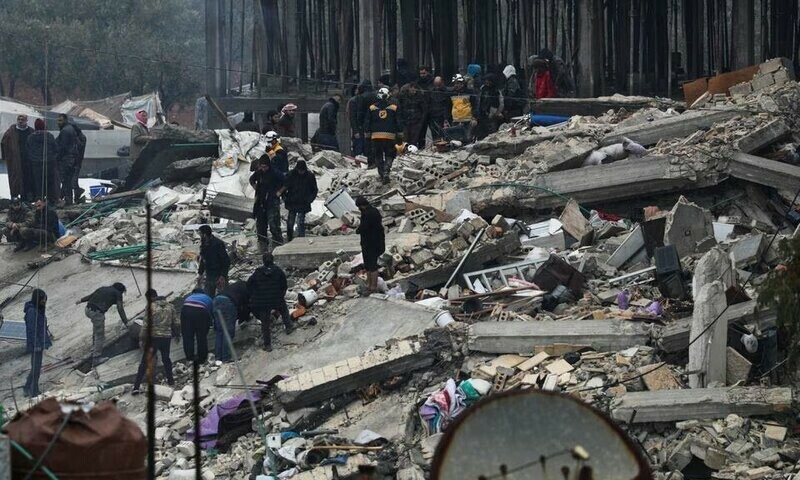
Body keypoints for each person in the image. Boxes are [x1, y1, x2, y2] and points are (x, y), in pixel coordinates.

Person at [247, 253, 295, 352]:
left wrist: (256, 295)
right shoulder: (278, 271)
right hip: (276, 298)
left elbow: (249, 284)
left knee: (265, 323)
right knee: (284, 309)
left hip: (263, 301)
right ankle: (289, 327)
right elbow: (284, 285)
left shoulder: (258, 272)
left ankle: (267, 345)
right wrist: (280, 296)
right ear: (273, 260)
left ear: (263, 261)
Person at [132, 289, 177, 394]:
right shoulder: (170, 306)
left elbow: (145, 325)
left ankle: (136, 387)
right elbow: (176, 322)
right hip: (166, 337)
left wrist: (141, 339)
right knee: (166, 359)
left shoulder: (150, 307)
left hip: (153, 338)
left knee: (144, 362)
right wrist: (177, 334)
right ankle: (171, 382)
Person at [76, 283, 129, 366]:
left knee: (96, 327)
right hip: (97, 312)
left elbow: (91, 296)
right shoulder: (118, 293)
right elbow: (120, 309)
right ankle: (96, 358)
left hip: (87, 309)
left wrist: (81, 300)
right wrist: (126, 323)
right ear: (121, 290)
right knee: (100, 335)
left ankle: (94, 347)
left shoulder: (103, 288)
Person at [365, 87, 403, 184]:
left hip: (376, 136)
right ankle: (386, 171)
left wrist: (367, 133)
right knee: (390, 154)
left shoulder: (372, 108)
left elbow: (367, 122)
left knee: (378, 155)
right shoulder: (394, 108)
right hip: (389, 136)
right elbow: (398, 122)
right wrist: (400, 132)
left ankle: (381, 174)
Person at [250, 155, 285, 252]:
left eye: (265, 167)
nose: (264, 169)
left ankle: (278, 245)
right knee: (260, 225)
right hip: (261, 202)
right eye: (262, 167)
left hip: (272, 202)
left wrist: (279, 192)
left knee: (273, 224)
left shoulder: (275, 173)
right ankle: (263, 246)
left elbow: (286, 183)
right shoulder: (259, 173)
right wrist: (256, 188)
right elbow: (252, 180)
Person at [23, 288, 51, 398]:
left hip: (39, 342)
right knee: (36, 368)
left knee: (36, 367)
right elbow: (31, 330)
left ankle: (27, 387)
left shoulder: (38, 309)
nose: (44, 302)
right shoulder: (32, 312)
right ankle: (33, 391)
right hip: (35, 344)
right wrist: (37, 344)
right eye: (43, 300)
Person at [212, 281, 249, 362]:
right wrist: (244, 319)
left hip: (215, 301)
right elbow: (246, 306)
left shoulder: (234, 286)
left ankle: (218, 358)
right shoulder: (247, 288)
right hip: (227, 302)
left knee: (220, 331)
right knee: (228, 331)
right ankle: (226, 358)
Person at [281, 160, 318, 241]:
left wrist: (310, 199)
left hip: (303, 202)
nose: (301, 172)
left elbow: (314, 190)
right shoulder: (291, 175)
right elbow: (284, 186)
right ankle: (290, 238)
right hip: (292, 202)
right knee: (290, 222)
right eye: (300, 170)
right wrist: (284, 197)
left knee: (300, 222)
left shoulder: (310, 176)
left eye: (302, 170)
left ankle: (301, 239)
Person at [355, 196, 385, 293]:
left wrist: (358, 230)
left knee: (371, 266)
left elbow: (364, 227)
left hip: (371, 243)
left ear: (362, 206)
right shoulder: (374, 211)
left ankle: (372, 286)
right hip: (375, 242)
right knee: (369, 265)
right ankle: (369, 285)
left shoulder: (367, 214)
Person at [2, 114, 34, 200]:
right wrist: (6, 157)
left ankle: (26, 198)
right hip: (15, 160)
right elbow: (4, 143)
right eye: (19, 119)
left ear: (26, 121)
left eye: (22, 119)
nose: (20, 121)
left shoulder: (31, 131)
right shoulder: (11, 132)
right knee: (15, 178)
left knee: (27, 178)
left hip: (28, 160)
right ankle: (14, 197)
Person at [26, 119, 59, 200]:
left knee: (38, 183)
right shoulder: (49, 136)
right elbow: (56, 149)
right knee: (49, 182)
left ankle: (39, 199)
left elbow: (27, 150)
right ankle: (50, 200)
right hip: (49, 163)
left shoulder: (30, 137)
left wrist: (33, 159)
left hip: (36, 164)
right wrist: (52, 158)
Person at [197, 224, 231, 296]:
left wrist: (223, 275)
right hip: (210, 274)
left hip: (219, 274)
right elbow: (203, 260)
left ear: (205, 235)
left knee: (223, 296)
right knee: (208, 296)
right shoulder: (203, 245)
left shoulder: (218, 244)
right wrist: (200, 273)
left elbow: (226, 261)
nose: (199, 236)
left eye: (200, 234)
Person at [180, 288, 212, 363]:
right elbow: (210, 313)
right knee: (201, 337)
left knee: (188, 336)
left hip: (186, 310)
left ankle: (190, 357)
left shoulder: (188, 298)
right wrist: (208, 326)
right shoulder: (207, 298)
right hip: (201, 311)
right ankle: (202, 358)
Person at [56, 114, 81, 205]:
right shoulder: (70, 129)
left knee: (66, 182)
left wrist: (57, 157)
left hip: (66, 160)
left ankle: (68, 201)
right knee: (68, 181)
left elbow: (63, 147)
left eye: (60, 121)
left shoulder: (65, 131)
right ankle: (67, 199)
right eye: (58, 121)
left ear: (65, 120)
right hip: (72, 159)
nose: (58, 123)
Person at [398, 82, 429, 148]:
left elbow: (424, 110)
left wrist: (421, 121)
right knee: (406, 139)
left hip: (416, 121)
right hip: (406, 121)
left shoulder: (420, 97)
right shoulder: (403, 97)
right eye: (413, 88)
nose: (414, 90)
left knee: (414, 139)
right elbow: (400, 109)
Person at [354, 80, 378, 161]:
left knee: (367, 144)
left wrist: (359, 123)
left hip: (366, 123)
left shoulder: (362, 97)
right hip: (377, 122)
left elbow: (360, 112)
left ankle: (370, 161)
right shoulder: (376, 95)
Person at [449, 74, 478, 142]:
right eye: (455, 83)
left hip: (468, 121)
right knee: (456, 140)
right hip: (455, 121)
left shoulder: (470, 92)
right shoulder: (451, 93)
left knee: (468, 139)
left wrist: (474, 118)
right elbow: (448, 107)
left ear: (462, 83)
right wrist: (446, 119)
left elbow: (475, 105)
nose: (456, 85)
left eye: (458, 83)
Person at [476, 74, 504, 140]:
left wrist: (495, 113)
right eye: (486, 81)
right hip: (482, 116)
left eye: (489, 81)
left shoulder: (496, 91)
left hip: (492, 116)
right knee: (481, 134)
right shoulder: (483, 89)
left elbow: (500, 104)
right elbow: (479, 101)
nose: (487, 82)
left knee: (492, 134)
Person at [428, 76, 452, 141]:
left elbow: (448, 106)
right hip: (433, 117)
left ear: (442, 83)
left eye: (439, 85)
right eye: (436, 85)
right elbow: (429, 104)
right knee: (435, 136)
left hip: (443, 117)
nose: (437, 87)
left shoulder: (447, 92)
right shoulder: (431, 91)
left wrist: (446, 118)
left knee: (444, 135)